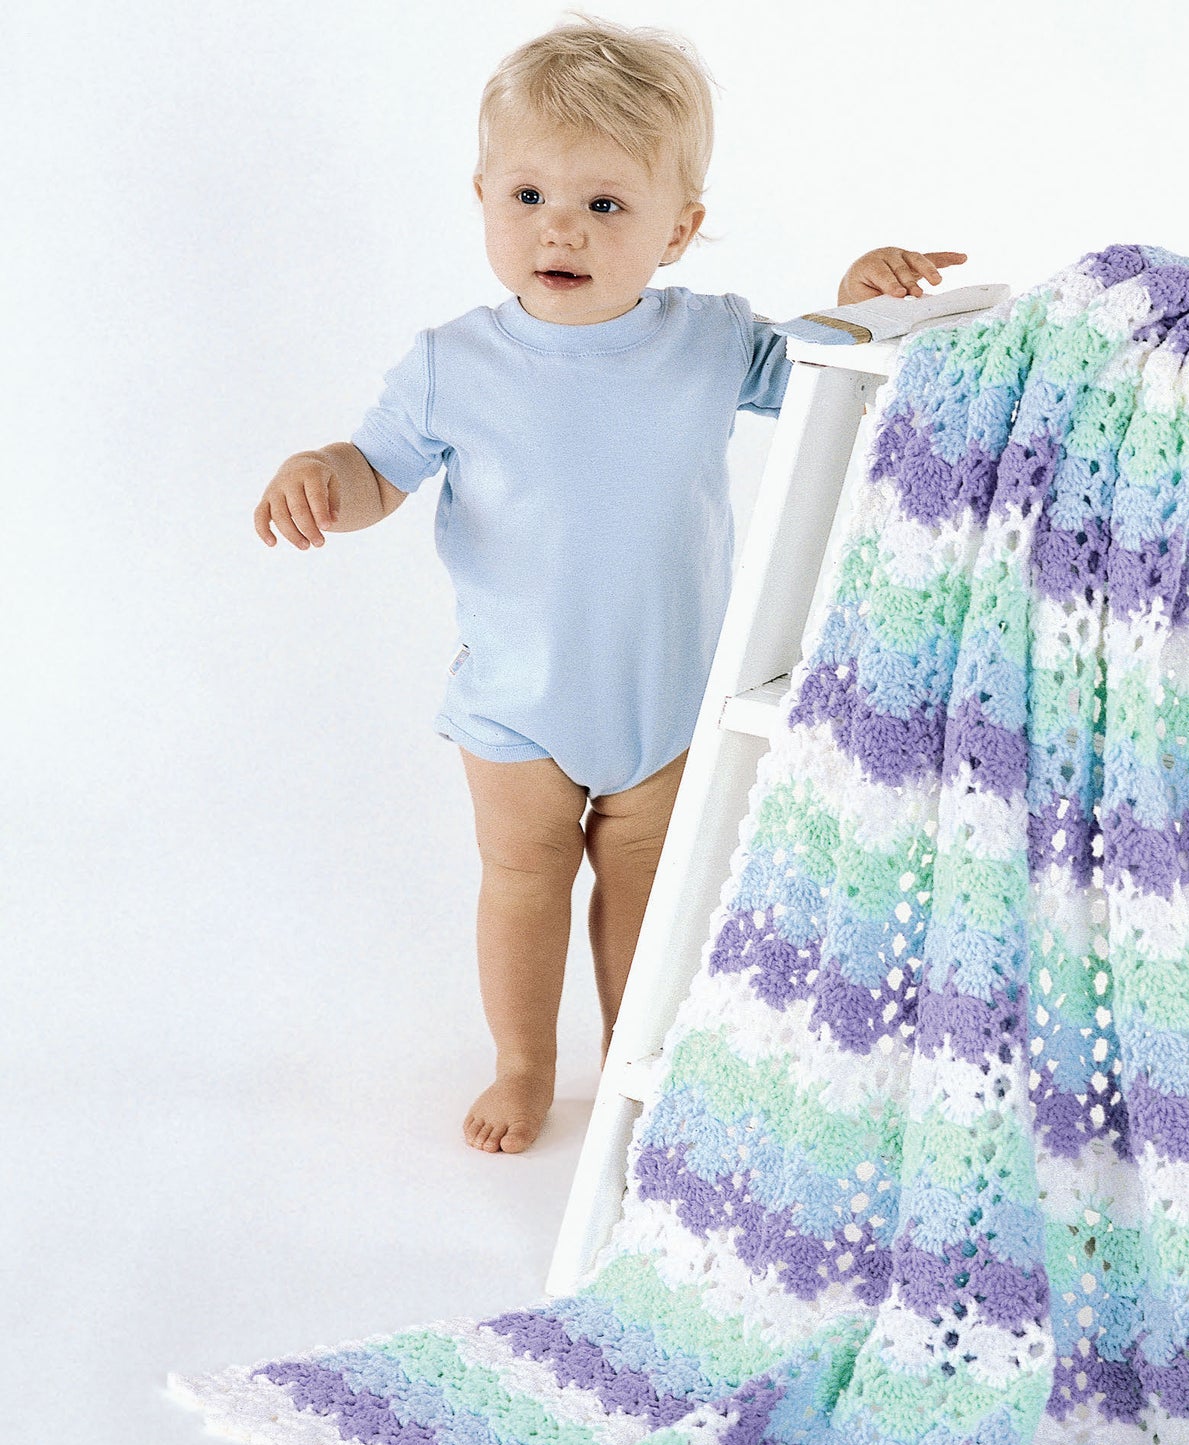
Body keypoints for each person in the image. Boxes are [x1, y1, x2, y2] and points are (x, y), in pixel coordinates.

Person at [253, 14, 965, 1153]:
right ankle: (525, 1064)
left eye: (605, 204)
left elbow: (826, 377)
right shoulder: (454, 364)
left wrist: (860, 297)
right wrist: (320, 478)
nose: (562, 230)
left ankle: (637, 1072)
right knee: (522, 886)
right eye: (528, 196)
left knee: (645, 903)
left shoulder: (710, 342)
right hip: (515, 707)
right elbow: (375, 472)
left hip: (667, 704)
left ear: (678, 230)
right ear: (482, 195)